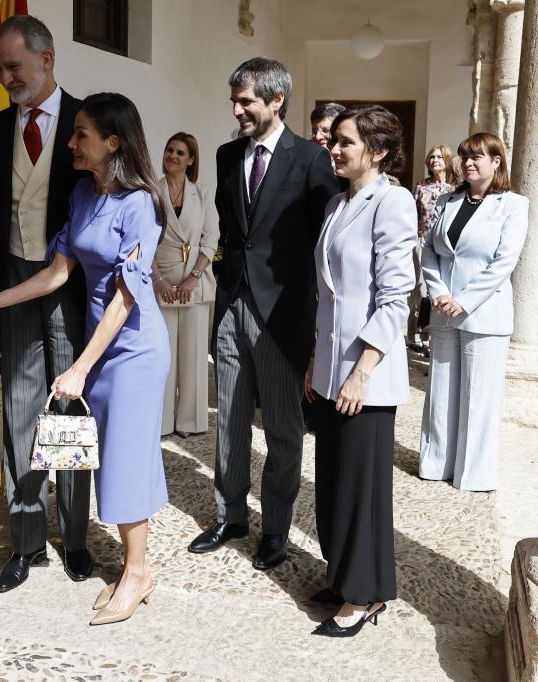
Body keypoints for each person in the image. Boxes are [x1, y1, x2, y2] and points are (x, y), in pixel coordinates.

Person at [0, 92, 169, 626]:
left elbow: (128, 296)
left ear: (113, 142)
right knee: (122, 454)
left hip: (132, 346)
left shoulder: (143, 203)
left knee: (124, 461)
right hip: (96, 344)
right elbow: (57, 272)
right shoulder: (84, 192)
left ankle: (136, 573)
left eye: (81, 133)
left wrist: (81, 365)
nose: (71, 142)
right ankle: (138, 566)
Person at [187, 57, 340, 570]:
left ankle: (275, 528)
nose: (237, 110)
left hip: (284, 315)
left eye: (247, 101)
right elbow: (234, 232)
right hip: (232, 305)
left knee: (281, 428)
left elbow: (325, 246)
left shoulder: (312, 161)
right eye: (234, 100)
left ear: (276, 101)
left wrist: (320, 326)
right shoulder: (228, 155)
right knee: (229, 421)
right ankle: (230, 516)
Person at [0, 15, 92, 593]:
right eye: (0, 68)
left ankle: (74, 537)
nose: (6, 77)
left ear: (46, 60)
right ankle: (25, 541)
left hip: (68, 287)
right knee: (20, 409)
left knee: (65, 408)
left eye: (14, 66)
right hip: (10, 284)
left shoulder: (88, 124)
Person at [304, 104, 416, 637]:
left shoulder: (392, 203)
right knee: (332, 487)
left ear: (377, 150)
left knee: (361, 491)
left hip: (364, 377)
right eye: (335, 140)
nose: (335, 148)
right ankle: (342, 575)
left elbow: (396, 299)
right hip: (329, 371)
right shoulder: (336, 203)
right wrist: (315, 362)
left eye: (346, 142)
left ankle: (363, 596)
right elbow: (328, 296)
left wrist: (361, 370)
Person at [418, 132, 529, 491]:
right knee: (441, 392)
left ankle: (473, 474)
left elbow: (504, 262)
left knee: (478, 395)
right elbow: (430, 250)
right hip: (443, 308)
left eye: (476, 156)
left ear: (496, 161)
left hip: (484, 312)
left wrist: (463, 300)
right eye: (464, 156)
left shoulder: (513, 205)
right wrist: (439, 292)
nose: (467, 162)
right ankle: (436, 465)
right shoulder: (448, 201)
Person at [151, 132, 219, 438]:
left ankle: (191, 421)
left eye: (180, 153)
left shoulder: (203, 193)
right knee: (162, 355)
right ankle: (162, 421)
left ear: (191, 159)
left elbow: (211, 238)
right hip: (160, 281)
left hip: (195, 282)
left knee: (193, 355)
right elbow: (143, 239)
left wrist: (192, 279)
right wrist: (159, 280)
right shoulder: (150, 190)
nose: (173, 157)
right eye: (169, 151)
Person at [408, 144, 459, 353]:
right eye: (431, 157)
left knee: (436, 290)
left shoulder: (454, 190)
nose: (435, 160)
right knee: (418, 289)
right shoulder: (422, 186)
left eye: (439, 157)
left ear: (446, 160)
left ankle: (431, 336)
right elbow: (413, 214)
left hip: (443, 245)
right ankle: (414, 336)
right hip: (421, 241)